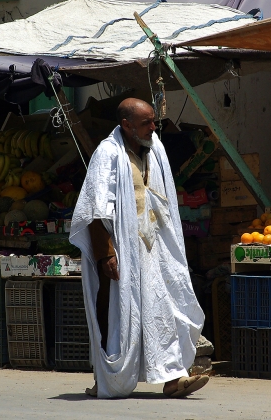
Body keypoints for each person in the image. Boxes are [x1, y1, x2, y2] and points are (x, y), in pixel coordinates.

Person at [69, 98, 207, 399]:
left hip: (154, 248)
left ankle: (173, 377)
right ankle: (108, 379)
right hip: (120, 251)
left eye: (153, 120)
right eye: (147, 122)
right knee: (118, 316)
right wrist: (105, 253)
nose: (154, 127)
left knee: (164, 307)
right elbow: (94, 208)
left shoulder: (154, 147)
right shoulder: (107, 154)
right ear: (127, 125)